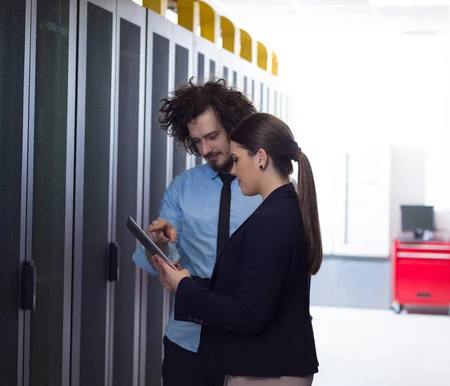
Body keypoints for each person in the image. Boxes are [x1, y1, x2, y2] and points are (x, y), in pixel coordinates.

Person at [154, 113, 322, 386]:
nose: (232, 170)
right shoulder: (283, 210)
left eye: (236, 160)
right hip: (269, 365)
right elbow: (252, 292)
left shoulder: (271, 220)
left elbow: (249, 314)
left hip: (267, 370)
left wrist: (185, 288)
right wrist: (184, 283)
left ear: (260, 158)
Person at [131, 78, 262, 386]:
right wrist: (156, 242)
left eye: (212, 136)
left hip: (248, 342)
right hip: (187, 343)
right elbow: (153, 261)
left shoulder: (264, 187)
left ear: (234, 125)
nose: (205, 149)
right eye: (197, 140)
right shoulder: (184, 186)